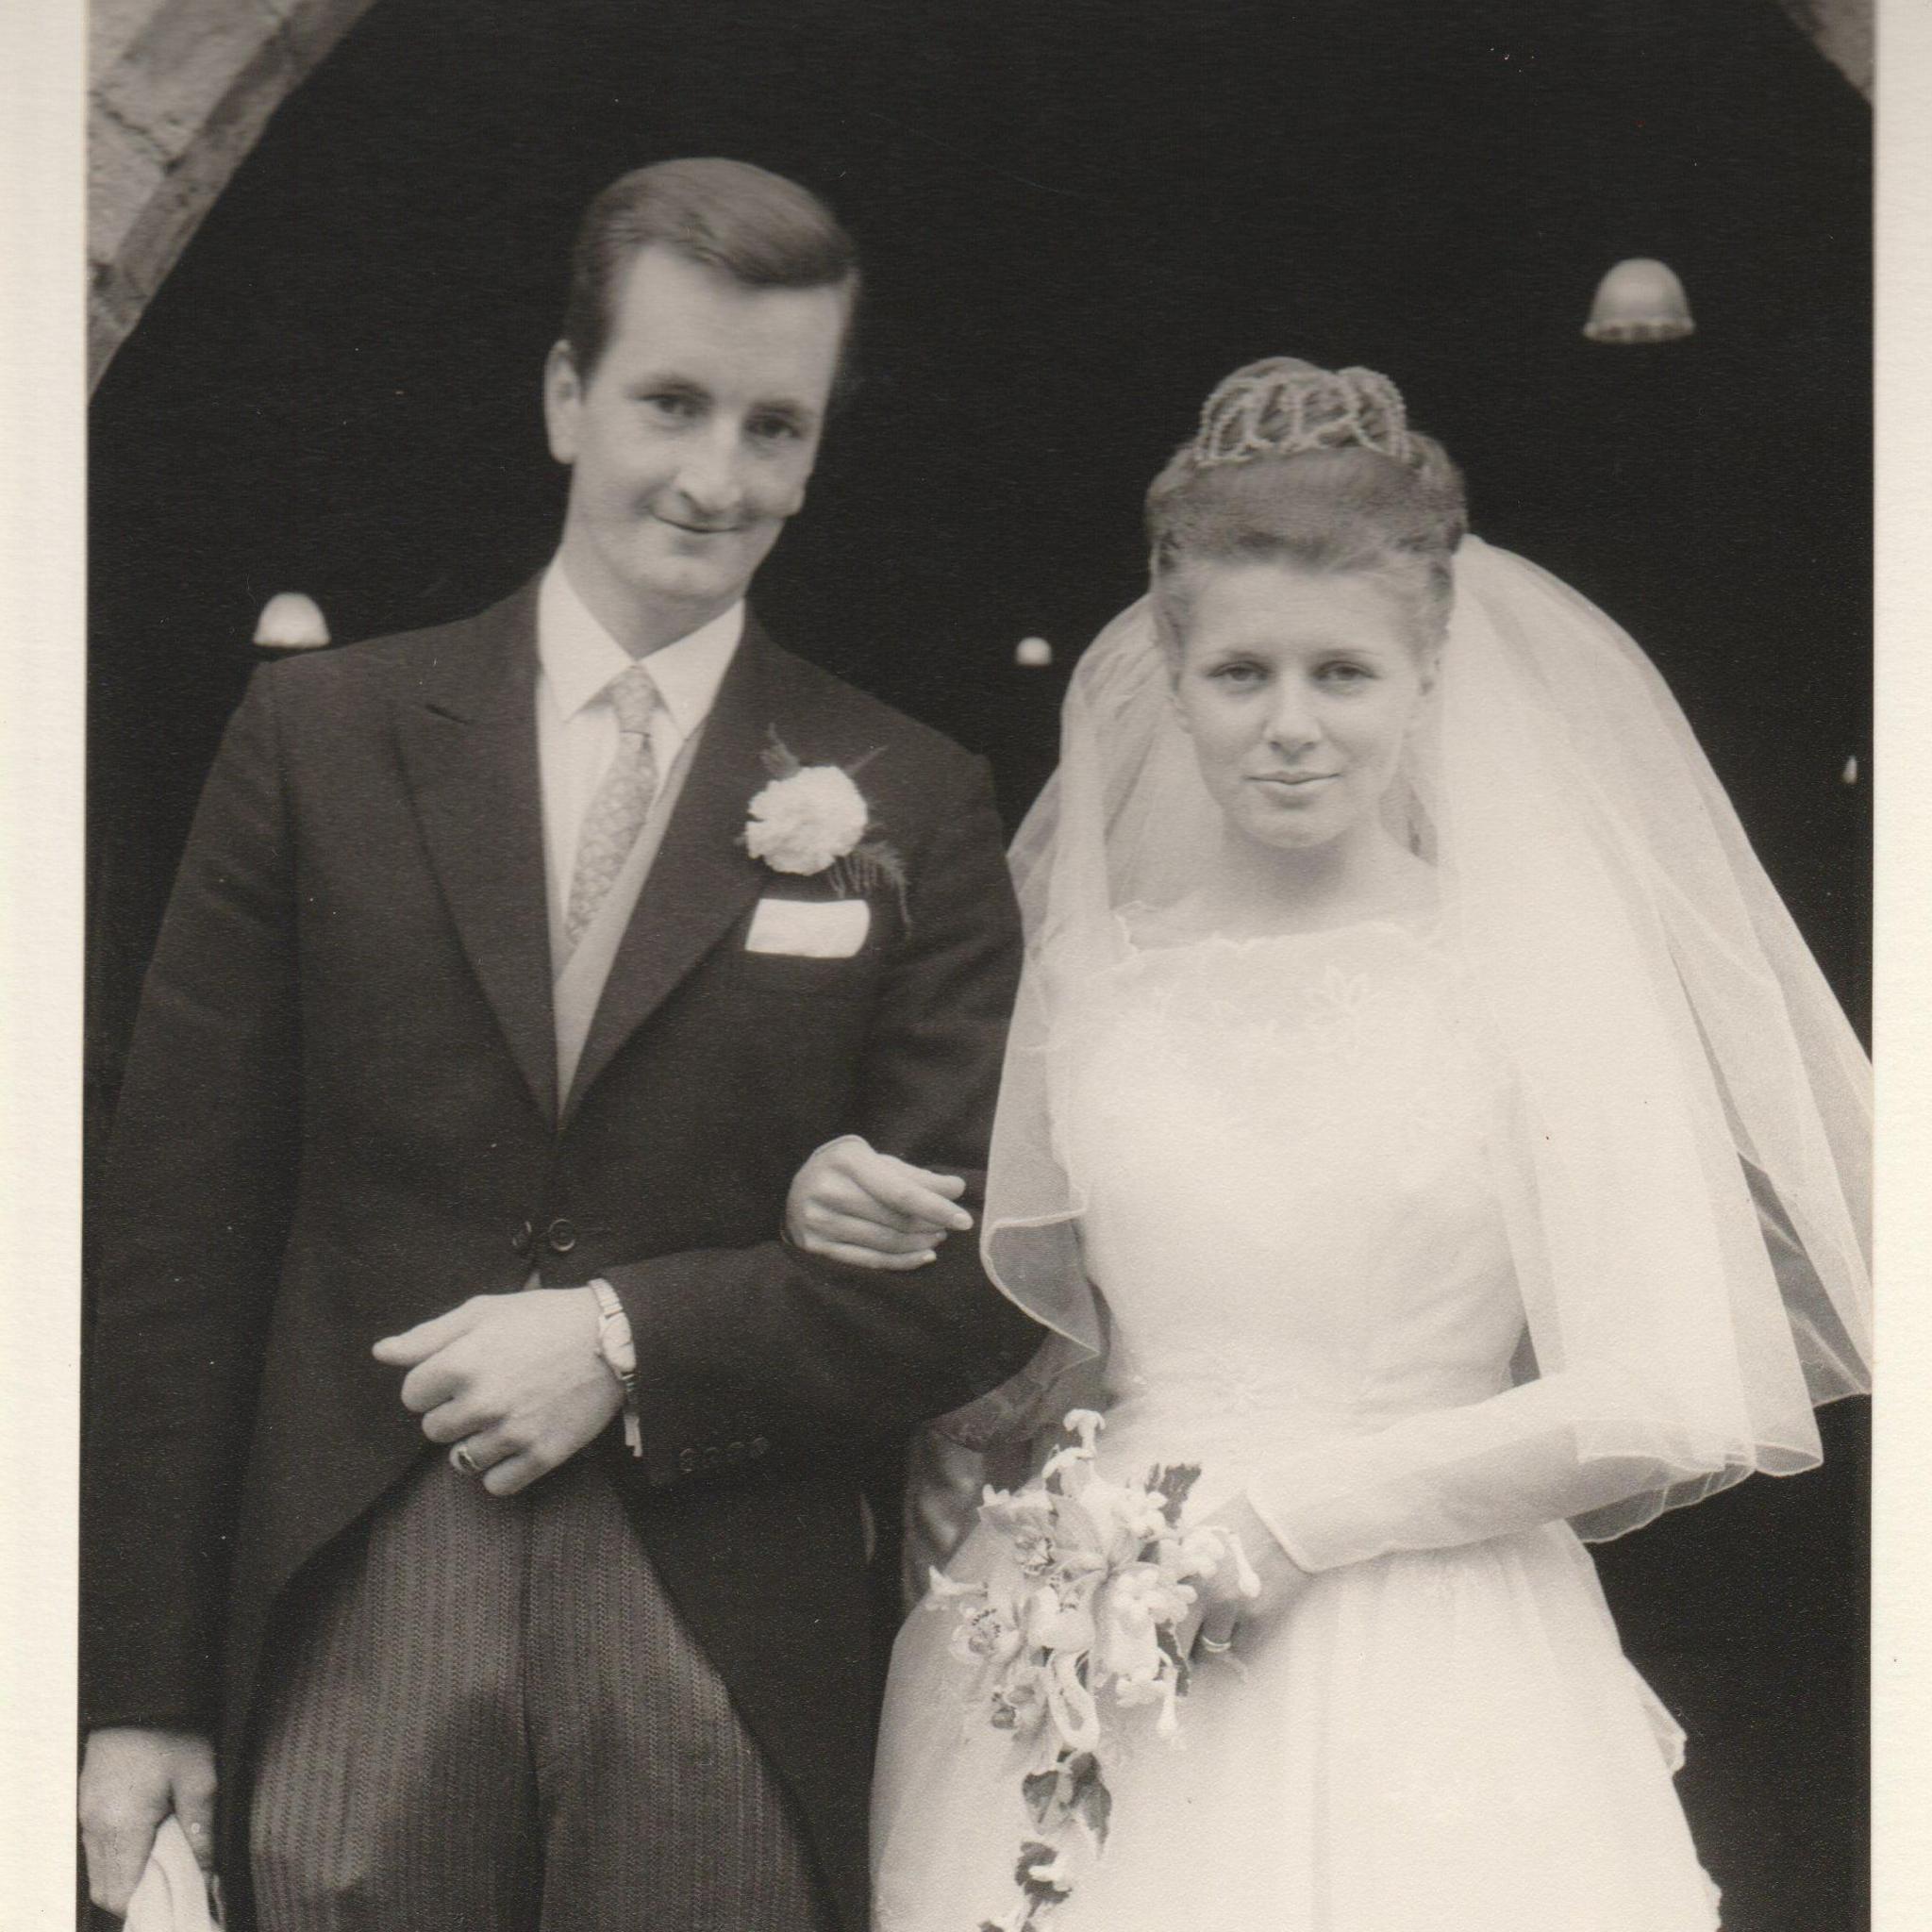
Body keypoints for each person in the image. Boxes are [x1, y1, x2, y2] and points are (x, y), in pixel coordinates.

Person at [77, 157, 1039, 1932]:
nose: (713, 475)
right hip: (356, 1579)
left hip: (721, 1620)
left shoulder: (911, 790)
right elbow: (173, 1239)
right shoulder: (322, 736)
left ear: (817, 451)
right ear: (563, 396)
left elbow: (988, 1265)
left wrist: (630, 1335)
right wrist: (134, 1683)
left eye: (773, 426)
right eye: (671, 402)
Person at [816, 358, 1872, 1930]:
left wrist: (1289, 1522)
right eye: (1242, 675)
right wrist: (859, 1227)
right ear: (1171, 677)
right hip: (1105, 1662)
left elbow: (1662, 1388)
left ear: (1428, 676)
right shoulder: (1092, 983)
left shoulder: (1531, 974)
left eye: (1344, 675)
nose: (1290, 727)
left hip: (1436, 1653)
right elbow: (1045, 1367)